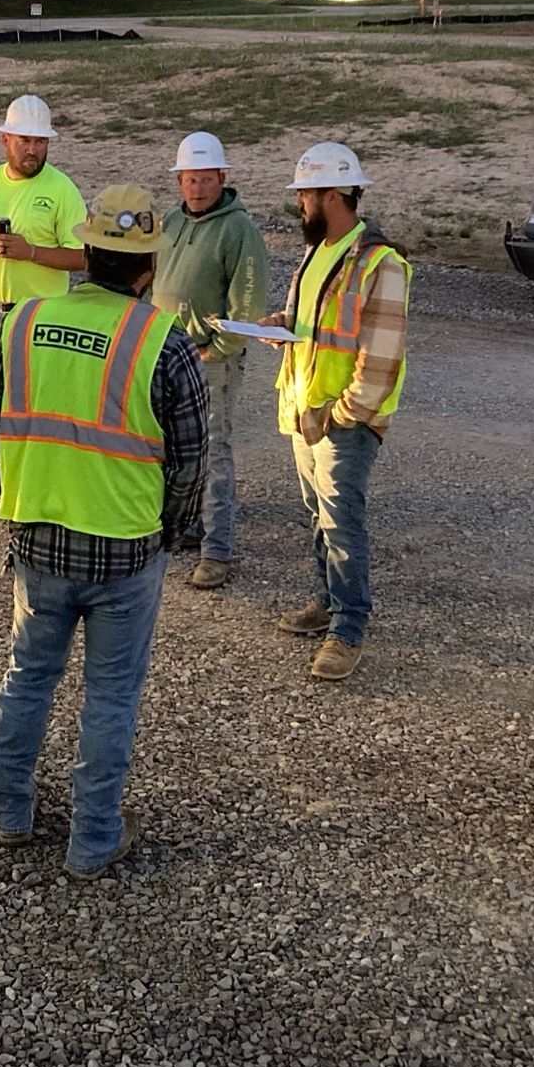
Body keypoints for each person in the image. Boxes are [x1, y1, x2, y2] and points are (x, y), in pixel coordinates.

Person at [0, 185, 208, 880]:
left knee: (28, 676)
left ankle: (10, 813)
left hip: (39, 537)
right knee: (110, 697)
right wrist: (172, 533)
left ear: (85, 254)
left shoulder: (23, 322)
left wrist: (28, 493)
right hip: (126, 551)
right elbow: (190, 461)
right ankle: (92, 841)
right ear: (147, 269)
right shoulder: (165, 344)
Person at [269, 142, 410, 683]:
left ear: (334, 194)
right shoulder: (318, 251)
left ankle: (348, 627)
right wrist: (281, 323)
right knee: (318, 514)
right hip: (305, 410)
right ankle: (328, 603)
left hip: (341, 421)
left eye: (305, 193)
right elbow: (318, 322)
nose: (300, 203)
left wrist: (343, 416)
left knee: (341, 522)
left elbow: (381, 357)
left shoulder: (380, 263)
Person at [0, 94, 89, 526]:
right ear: (5, 140)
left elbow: (84, 257)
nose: (33, 150)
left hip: (42, 319)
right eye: (25, 140)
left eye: (41, 142)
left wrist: (31, 253)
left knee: (33, 412)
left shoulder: (61, 190)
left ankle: (27, 497)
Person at [151, 130, 269, 589]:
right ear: (179, 181)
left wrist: (219, 349)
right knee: (170, 447)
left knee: (213, 451)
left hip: (209, 359)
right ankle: (186, 525)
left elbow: (248, 302)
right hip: (167, 355)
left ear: (222, 177)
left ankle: (217, 549)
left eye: (205, 178)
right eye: (189, 179)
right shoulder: (172, 222)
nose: (197, 187)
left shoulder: (239, 229)